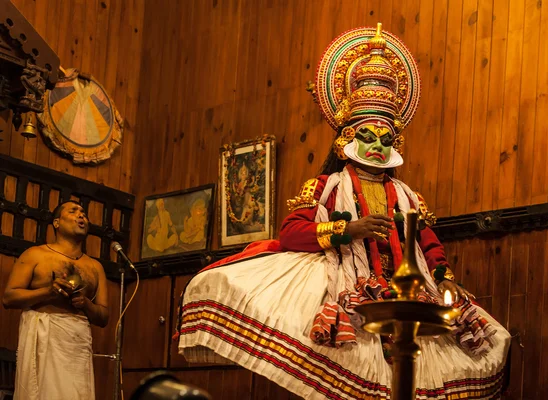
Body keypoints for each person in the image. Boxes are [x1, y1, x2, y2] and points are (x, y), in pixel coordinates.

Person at [177, 24, 510, 399]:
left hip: (406, 289)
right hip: (344, 280)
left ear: (396, 142)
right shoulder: (324, 188)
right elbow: (291, 233)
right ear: (344, 141)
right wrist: (350, 230)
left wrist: (443, 275)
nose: (376, 146)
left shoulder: (408, 196)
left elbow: (428, 241)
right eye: (367, 136)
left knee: (463, 352)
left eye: (385, 139)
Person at [2, 200, 109, 400]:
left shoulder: (95, 267)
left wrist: (86, 304)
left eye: (84, 213)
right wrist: (47, 293)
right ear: (57, 223)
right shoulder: (35, 254)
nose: (81, 216)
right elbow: (9, 297)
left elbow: (103, 316)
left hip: (75, 344)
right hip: (43, 337)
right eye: (74, 211)